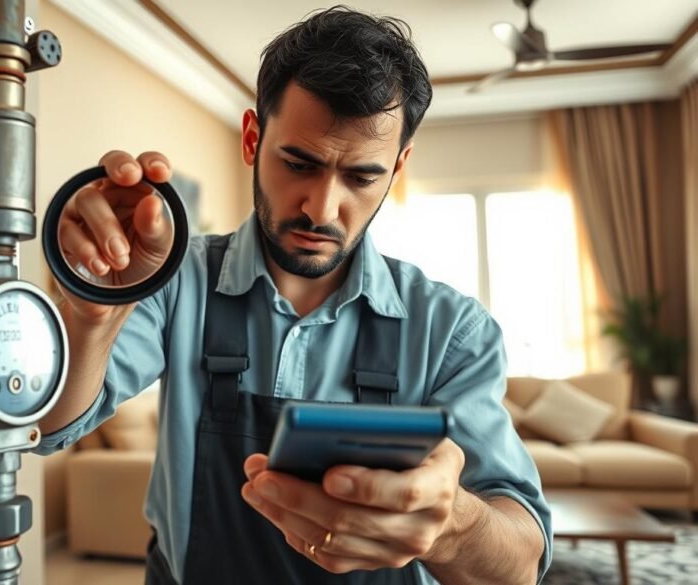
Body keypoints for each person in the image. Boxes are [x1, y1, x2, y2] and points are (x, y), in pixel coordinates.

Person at [35, 6, 552, 584]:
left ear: (398, 168)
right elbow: (50, 428)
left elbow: (520, 565)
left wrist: (453, 524)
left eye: (361, 177)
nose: (321, 208)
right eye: (299, 163)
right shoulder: (175, 280)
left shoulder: (453, 330)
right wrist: (92, 314)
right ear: (253, 138)